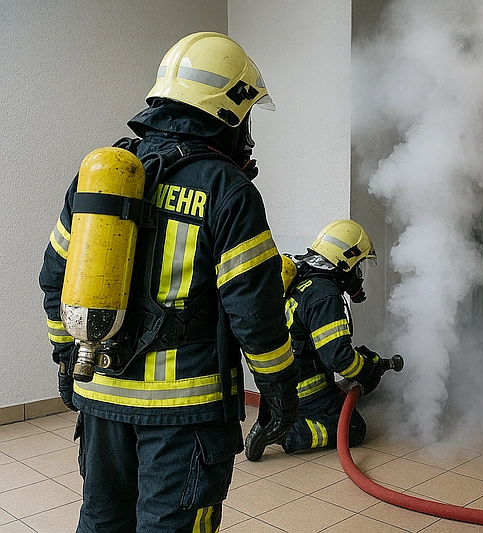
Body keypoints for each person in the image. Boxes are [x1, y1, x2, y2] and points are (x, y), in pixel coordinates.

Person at [39, 32, 298, 532]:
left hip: (101, 398)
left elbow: (55, 276)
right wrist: (279, 387)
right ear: (229, 110)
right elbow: (256, 311)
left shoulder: (104, 173)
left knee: (102, 521)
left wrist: (66, 357)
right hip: (185, 412)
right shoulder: (227, 189)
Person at [245, 219, 386, 459]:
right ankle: (288, 432)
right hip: (304, 391)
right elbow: (339, 359)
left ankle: (277, 419)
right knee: (354, 429)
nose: (359, 276)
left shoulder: (300, 278)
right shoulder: (324, 294)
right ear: (345, 260)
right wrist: (367, 369)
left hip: (278, 384)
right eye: (358, 266)